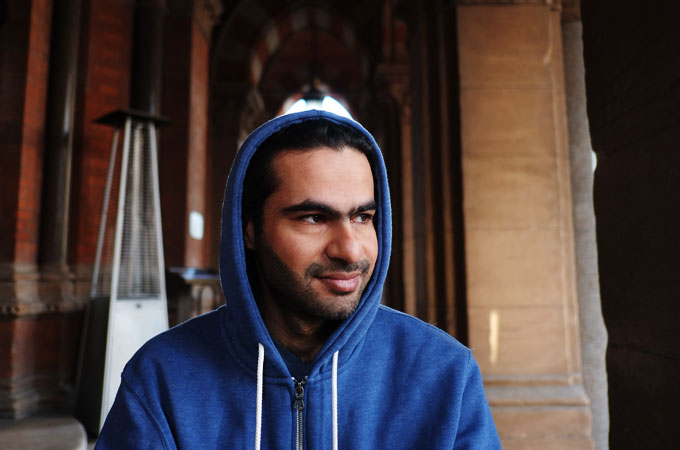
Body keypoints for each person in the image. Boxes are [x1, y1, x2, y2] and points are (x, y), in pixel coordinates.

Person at [96, 110, 501, 449]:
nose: (350, 250)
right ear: (249, 229)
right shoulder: (162, 380)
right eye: (313, 218)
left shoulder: (445, 375)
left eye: (363, 217)